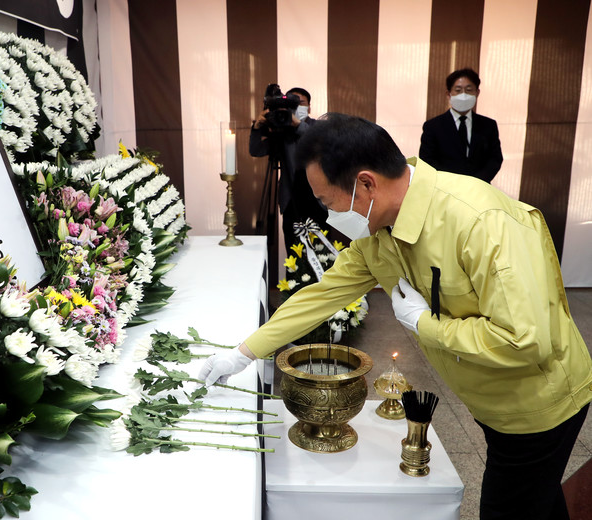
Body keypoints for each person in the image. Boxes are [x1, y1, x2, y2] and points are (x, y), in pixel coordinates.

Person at [201, 113, 592, 520]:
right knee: (540, 502)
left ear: (366, 184)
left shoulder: (480, 221)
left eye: (328, 202)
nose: (329, 216)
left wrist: (426, 325)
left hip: (537, 404)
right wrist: (242, 354)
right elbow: (320, 297)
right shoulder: (378, 233)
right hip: (491, 399)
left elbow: (524, 340)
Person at [250, 87, 331, 253]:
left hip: (317, 201)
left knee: (322, 253)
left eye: (301, 103)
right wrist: (257, 128)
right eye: (294, 104)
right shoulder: (281, 131)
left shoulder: (319, 127)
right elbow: (256, 150)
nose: (297, 107)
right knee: (294, 252)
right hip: (291, 202)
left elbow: (321, 143)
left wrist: (298, 125)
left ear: (309, 107)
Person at [419, 68, 503, 183]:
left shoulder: (489, 125)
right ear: (448, 94)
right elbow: (427, 160)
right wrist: (453, 183)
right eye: (458, 90)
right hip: (445, 187)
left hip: (478, 187)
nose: (463, 95)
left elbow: (495, 159)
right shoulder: (433, 126)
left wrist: (477, 182)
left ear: (477, 93)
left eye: (469, 90)